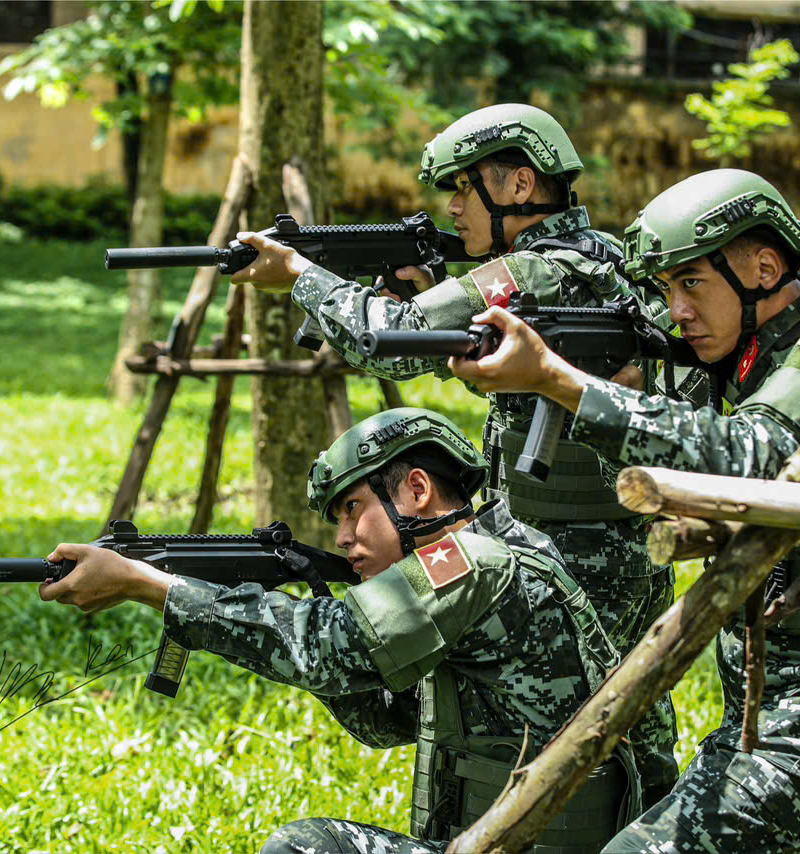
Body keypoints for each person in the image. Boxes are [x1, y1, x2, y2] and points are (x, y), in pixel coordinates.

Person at [449, 168, 800, 853]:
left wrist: (564, 384)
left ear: (765, 269)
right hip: (757, 712)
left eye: (691, 284)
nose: (676, 309)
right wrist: (605, 378)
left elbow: (754, 454)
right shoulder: (750, 353)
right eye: (665, 289)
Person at [227, 103, 678, 804]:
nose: (453, 207)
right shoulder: (601, 258)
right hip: (614, 546)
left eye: (465, 188)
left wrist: (300, 276)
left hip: (570, 553)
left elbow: (397, 339)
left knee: (545, 735)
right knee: (604, 722)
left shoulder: (536, 270)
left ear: (520, 187)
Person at [39, 407, 638, 854]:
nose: (342, 538)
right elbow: (383, 719)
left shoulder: (466, 565)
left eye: (353, 508)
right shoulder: (502, 546)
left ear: (417, 490)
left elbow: (324, 646)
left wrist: (150, 585)